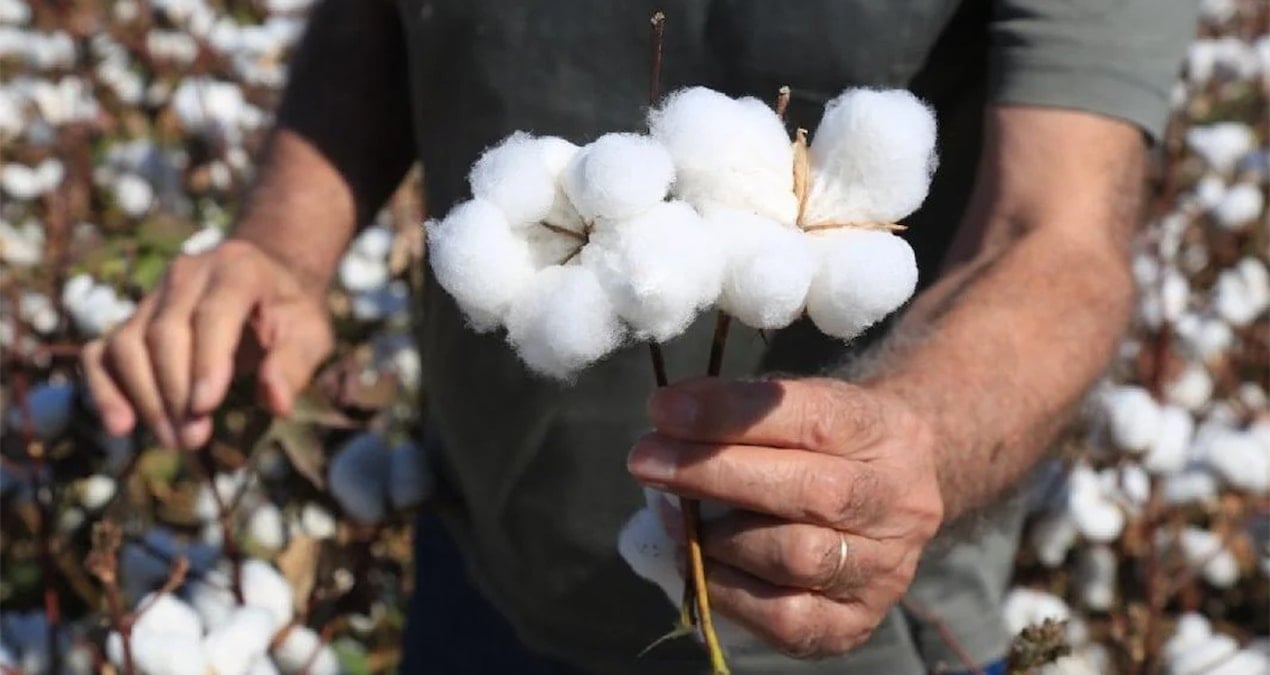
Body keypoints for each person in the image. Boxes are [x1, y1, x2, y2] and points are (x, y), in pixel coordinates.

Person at [82, 1, 1198, 672]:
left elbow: (1056, 234)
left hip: (860, 637)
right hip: (482, 576)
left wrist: (914, 440)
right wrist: (283, 244)